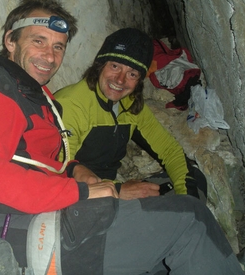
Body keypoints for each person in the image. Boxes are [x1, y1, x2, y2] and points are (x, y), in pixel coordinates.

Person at [0, 0, 245, 275]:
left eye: (58, 46)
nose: (49, 56)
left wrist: (76, 171)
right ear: (10, 40)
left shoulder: (38, 97)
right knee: (190, 221)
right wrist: (84, 191)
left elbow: (44, 163)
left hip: (36, 213)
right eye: (39, 41)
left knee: (167, 235)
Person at [54, 28, 207, 201]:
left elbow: (169, 151)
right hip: (80, 197)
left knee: (193, 179)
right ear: (100, 65)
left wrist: (188, 201)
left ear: (139, 80)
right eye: (115, 66)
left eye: (132, 74)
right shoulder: (71, 104)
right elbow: (59, 169)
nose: (120, 80)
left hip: (110, 191)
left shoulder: (130, 105)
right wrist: (118, 190)